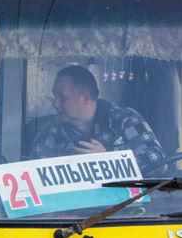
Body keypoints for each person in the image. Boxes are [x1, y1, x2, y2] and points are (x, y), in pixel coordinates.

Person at [31, 65, 165, 171]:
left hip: (126, 204)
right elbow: (33, 173)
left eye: (63, 98)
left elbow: (158, 162)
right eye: (55, 97)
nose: (55, 103)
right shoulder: (51, 132)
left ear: (85, 97)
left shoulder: (124, 120)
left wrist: (109, 160)